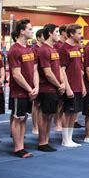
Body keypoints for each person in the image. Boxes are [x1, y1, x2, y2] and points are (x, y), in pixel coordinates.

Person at [8, 19, 38, 158]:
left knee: (24, 118)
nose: (32, 31)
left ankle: (21, 145)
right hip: (19, 91)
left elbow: (34, 70)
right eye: (30, 29)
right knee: (17, 118)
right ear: (22, 31)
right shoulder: (14, 50)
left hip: (30, 90)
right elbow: (16, 74)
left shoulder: (30, 49)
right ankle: (17, 147)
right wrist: (28, 88)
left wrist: (36, 87)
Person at [36, 24, 65, 152]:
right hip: (46, 88)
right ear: (50, 33)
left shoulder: (54, 49)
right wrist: (59, 85)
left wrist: (62, 82)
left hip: (55, 88)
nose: (58, 34)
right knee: (45, 116)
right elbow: (47, 72)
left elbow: (58, 68)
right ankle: (42, 142)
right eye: (57, 32)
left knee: (50, 116)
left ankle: (46, 140)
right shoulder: (44, 50)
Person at [59, 24, 86, 147]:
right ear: (71, 34)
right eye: (79, 33)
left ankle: (70, 138)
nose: (81, 36)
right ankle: (65, 139)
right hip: (70, 85)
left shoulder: (77, 48)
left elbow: (80, 70)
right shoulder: (64, 48)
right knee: (67, 113)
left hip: (78, 85)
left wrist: (83, 85)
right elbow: (62, 70)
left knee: (74, 113)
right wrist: (68, 88)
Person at [53, 24, 68, 131]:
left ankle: (62, 121)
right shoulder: (58, 45)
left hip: (66, 75)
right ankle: (57, 122)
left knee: (64, 103)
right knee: (59, 102)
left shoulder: (67, 45)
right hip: (59, 74)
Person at [31, 29, 45, 135]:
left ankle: (41, 125)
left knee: (42, 105)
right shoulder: (34, 49)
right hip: (37, 79)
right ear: (39, 38)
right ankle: (35, 126)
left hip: (45, 80)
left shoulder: (46, 49)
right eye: (43, 36)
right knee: (36, 104)